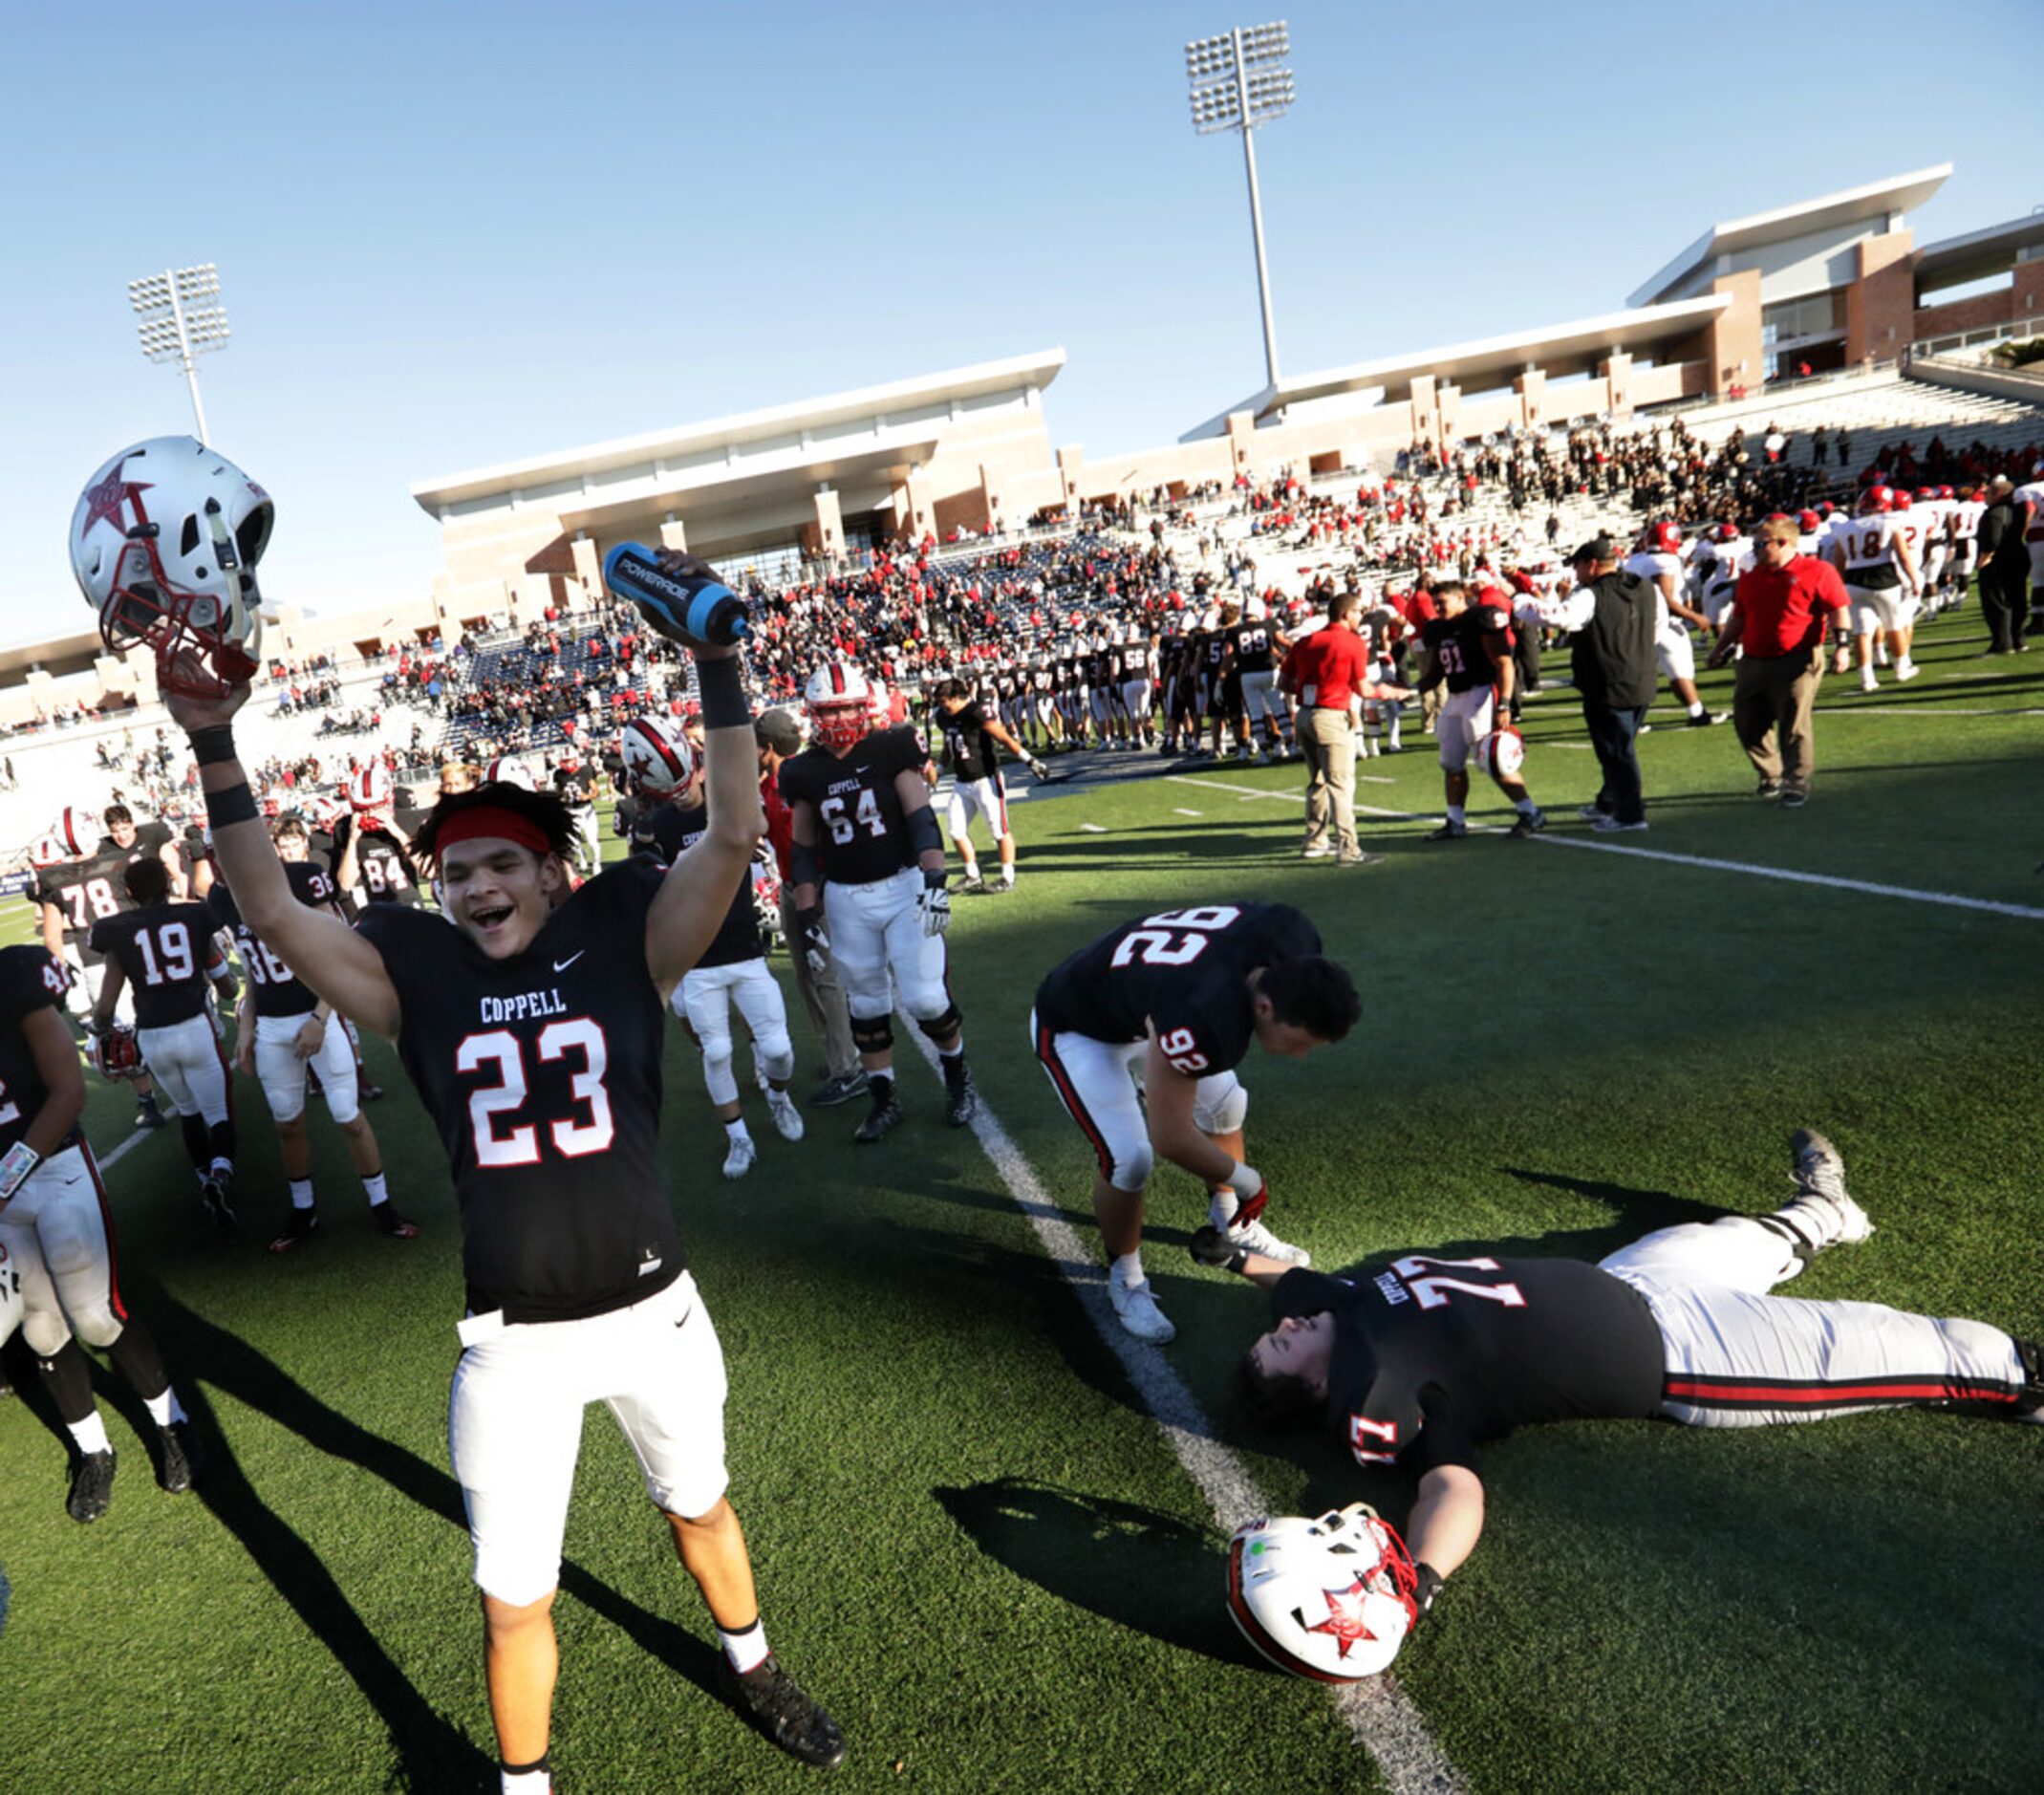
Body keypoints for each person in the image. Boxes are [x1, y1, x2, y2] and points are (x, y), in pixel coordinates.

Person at [165, 571, 845, 1791]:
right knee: (513, 1602)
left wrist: (720, 664)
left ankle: (755, 1667)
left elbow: (736, 835)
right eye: (452, 873)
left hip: (657, 1317)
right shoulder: (417, 976)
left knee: (701, 1511)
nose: (472, 887)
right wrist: (214, 738)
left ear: (548, 872)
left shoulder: (628, 937)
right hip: (513, 1347)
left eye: (497, 864)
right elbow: (268, 906)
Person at [1210, 1129, 2040, 1649]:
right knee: (1910, 1345)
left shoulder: (1336, 1311)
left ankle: (1824, 1211)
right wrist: (1419, 1578)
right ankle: (2027, 1377)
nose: (1283, 1329)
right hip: (1693, 1351)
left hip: (1635, 1280)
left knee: (1753, 1239)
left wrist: (1237, 1257)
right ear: (1316, 1387)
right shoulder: (1379, 1390)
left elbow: (1286, 1282)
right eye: (1279, 1351)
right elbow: (1450, 1483)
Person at [1031, 901, 1359, 1345]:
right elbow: (1171, 1137)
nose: (1301, 1056)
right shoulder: (1206, 1015)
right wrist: (1248, 1179)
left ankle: (1234, 1224)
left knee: (1226, 1103)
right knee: (1130, 1159)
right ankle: (1125, 1279)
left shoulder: (1292, 937)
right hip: (1080, 1027)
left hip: (1150, 1003)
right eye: (1300, 1043)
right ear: (1263, 1007)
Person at [0, 941, 202, 1522]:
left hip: (54, 1166)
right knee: (42, 1329)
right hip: (2, 1193)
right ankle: (94, 1450)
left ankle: (173, 1423)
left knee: (96, 1315)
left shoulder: (14, 976)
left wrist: (6, 1176)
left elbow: (69, 1092)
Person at [779, 660, 976, 1143]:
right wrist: (807, 913)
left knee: (927, 997)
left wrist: (934, 876)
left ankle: (958, 1079)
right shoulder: (802, 770)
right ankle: (885, 1099)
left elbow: (920, 818)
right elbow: (803, 849)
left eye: (849, 707)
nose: (842, 718)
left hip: (904, 884)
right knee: (865, 1003)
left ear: (865, 706)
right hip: (846, 898)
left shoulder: (890, 746)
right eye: (832, 709)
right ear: (812, 713)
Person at [210, 812, 417, 1251]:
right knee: (287, 1124)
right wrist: (246, 1026)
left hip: (315, 1013)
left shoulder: (302, 878)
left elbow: (337, 951)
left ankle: (382, 1205)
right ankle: (304, 1210)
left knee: (348, 1116)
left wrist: (321, 1018)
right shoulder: (223, 898)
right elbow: (251, 967)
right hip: (271, 1025)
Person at [623, 712, 804, 1180]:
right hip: (698, 959)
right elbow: (642, 880)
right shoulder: (658, 823)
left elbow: (758, 827)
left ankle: (778, 1096)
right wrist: (643, 831)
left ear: (700, 766)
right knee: (717, 1051)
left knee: (779, 1049)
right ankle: (738, 1136)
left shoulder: (726, 807)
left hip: (744, 948)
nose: (683, 787)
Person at [88, 856, 242, 1225]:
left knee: (188, 1112)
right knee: (218, 1113)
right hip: (194, 1027)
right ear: (169, 885)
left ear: (128, 893)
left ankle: (205, 1180)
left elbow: (107, 1002)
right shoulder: (194, 917)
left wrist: (98, 1032)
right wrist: (228, 986)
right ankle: (220, 1174)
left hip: (152, 1035)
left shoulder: (116, 929)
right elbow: (226, 986)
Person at [27, 809, 167, 1129]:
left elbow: (52, 939)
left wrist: (61, 971)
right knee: (158, 1016)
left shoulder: (54, 878)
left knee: (123, 1036)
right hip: (137, 947)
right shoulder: (118, 864)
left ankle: (149, 1104)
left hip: (97, 960)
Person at [754, 709, 864, 1109]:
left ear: (767, 748)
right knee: (807, 977)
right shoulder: (773, 783)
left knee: (828, 979)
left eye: (756, 745)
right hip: (790, 886)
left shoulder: (798, 783)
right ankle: (836, 1055)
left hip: (814, 890)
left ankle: (848, 1068)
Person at [1707, 515, 1852, 809]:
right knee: (1747, 723)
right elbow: (1739, 617)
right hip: (1753, 658)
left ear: (1783, 543)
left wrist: (1842, 646)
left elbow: (1838, 608)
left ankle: (1796, 783)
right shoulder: (1751, 576)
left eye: (1761, 544)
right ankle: (1771, 773)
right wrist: (1720, 648)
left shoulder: (1817, 570)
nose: (1755, 550)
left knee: (1793, 723)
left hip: (1797, 658)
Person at [1538, 538, 1661, 833]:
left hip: (1608, 682)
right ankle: (1609, 801)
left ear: (1591, 564)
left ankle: (1630, 814)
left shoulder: (1590, 596)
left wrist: (1519, 604)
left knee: (1616, 751)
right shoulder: (1645, 587)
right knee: (1621, 746)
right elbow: (1658, 626)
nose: (1575, 574)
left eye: (1577, 566)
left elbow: (1560, 619)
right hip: (1641, 676)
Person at [1415, 579, 1546, 840]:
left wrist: (1504, 704)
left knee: (1493, 759)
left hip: (1481, 693)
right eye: (1435, 603)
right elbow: (1436, 672)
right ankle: (1455, 821)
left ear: (1461, 598)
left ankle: (1530, 812)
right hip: (1455, 697)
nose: (1438, 608)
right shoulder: (1438, 628)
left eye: (1443, 602)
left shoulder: (1479, 618)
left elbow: (1504, 664)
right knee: (1451, 763)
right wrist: (1408, 690)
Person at [1279, 591, 1399, 866]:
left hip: (1305, 715)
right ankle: (1348, 848)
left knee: (1317, 781)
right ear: (1347, 614)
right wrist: (1389, 692)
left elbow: (1284, 683)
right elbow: (1363, 688)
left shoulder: (1306, 641)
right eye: (1358, 613)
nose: (1361, 618)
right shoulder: (1352, 643)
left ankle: (1315, 839)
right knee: (1341, 785)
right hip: (1332, 715)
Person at [930, 677, 1046, 894]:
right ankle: (972, 874)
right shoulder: (944, 717)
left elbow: (1004, 738)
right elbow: (949, 745)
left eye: (945, 701)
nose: (942, 707)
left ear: (956, 698)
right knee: (955, 830)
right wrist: (938, 769)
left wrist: (1030, 760)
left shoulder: (977, 712)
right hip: (962, 782)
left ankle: (1007, 876)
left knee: (999, 830)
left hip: (986, 779)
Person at [1976, 475, 2029, 654]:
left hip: (1999, 561)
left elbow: (1993, 538)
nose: (1985, 495)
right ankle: (2018, 639)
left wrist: (1985, 557)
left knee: (1996, 602)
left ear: (1998, 493)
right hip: (2018, 556)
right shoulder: (2017, 509)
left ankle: (2002, 643)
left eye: (1988, 492)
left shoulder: (1996, 512)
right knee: (2017, 600)